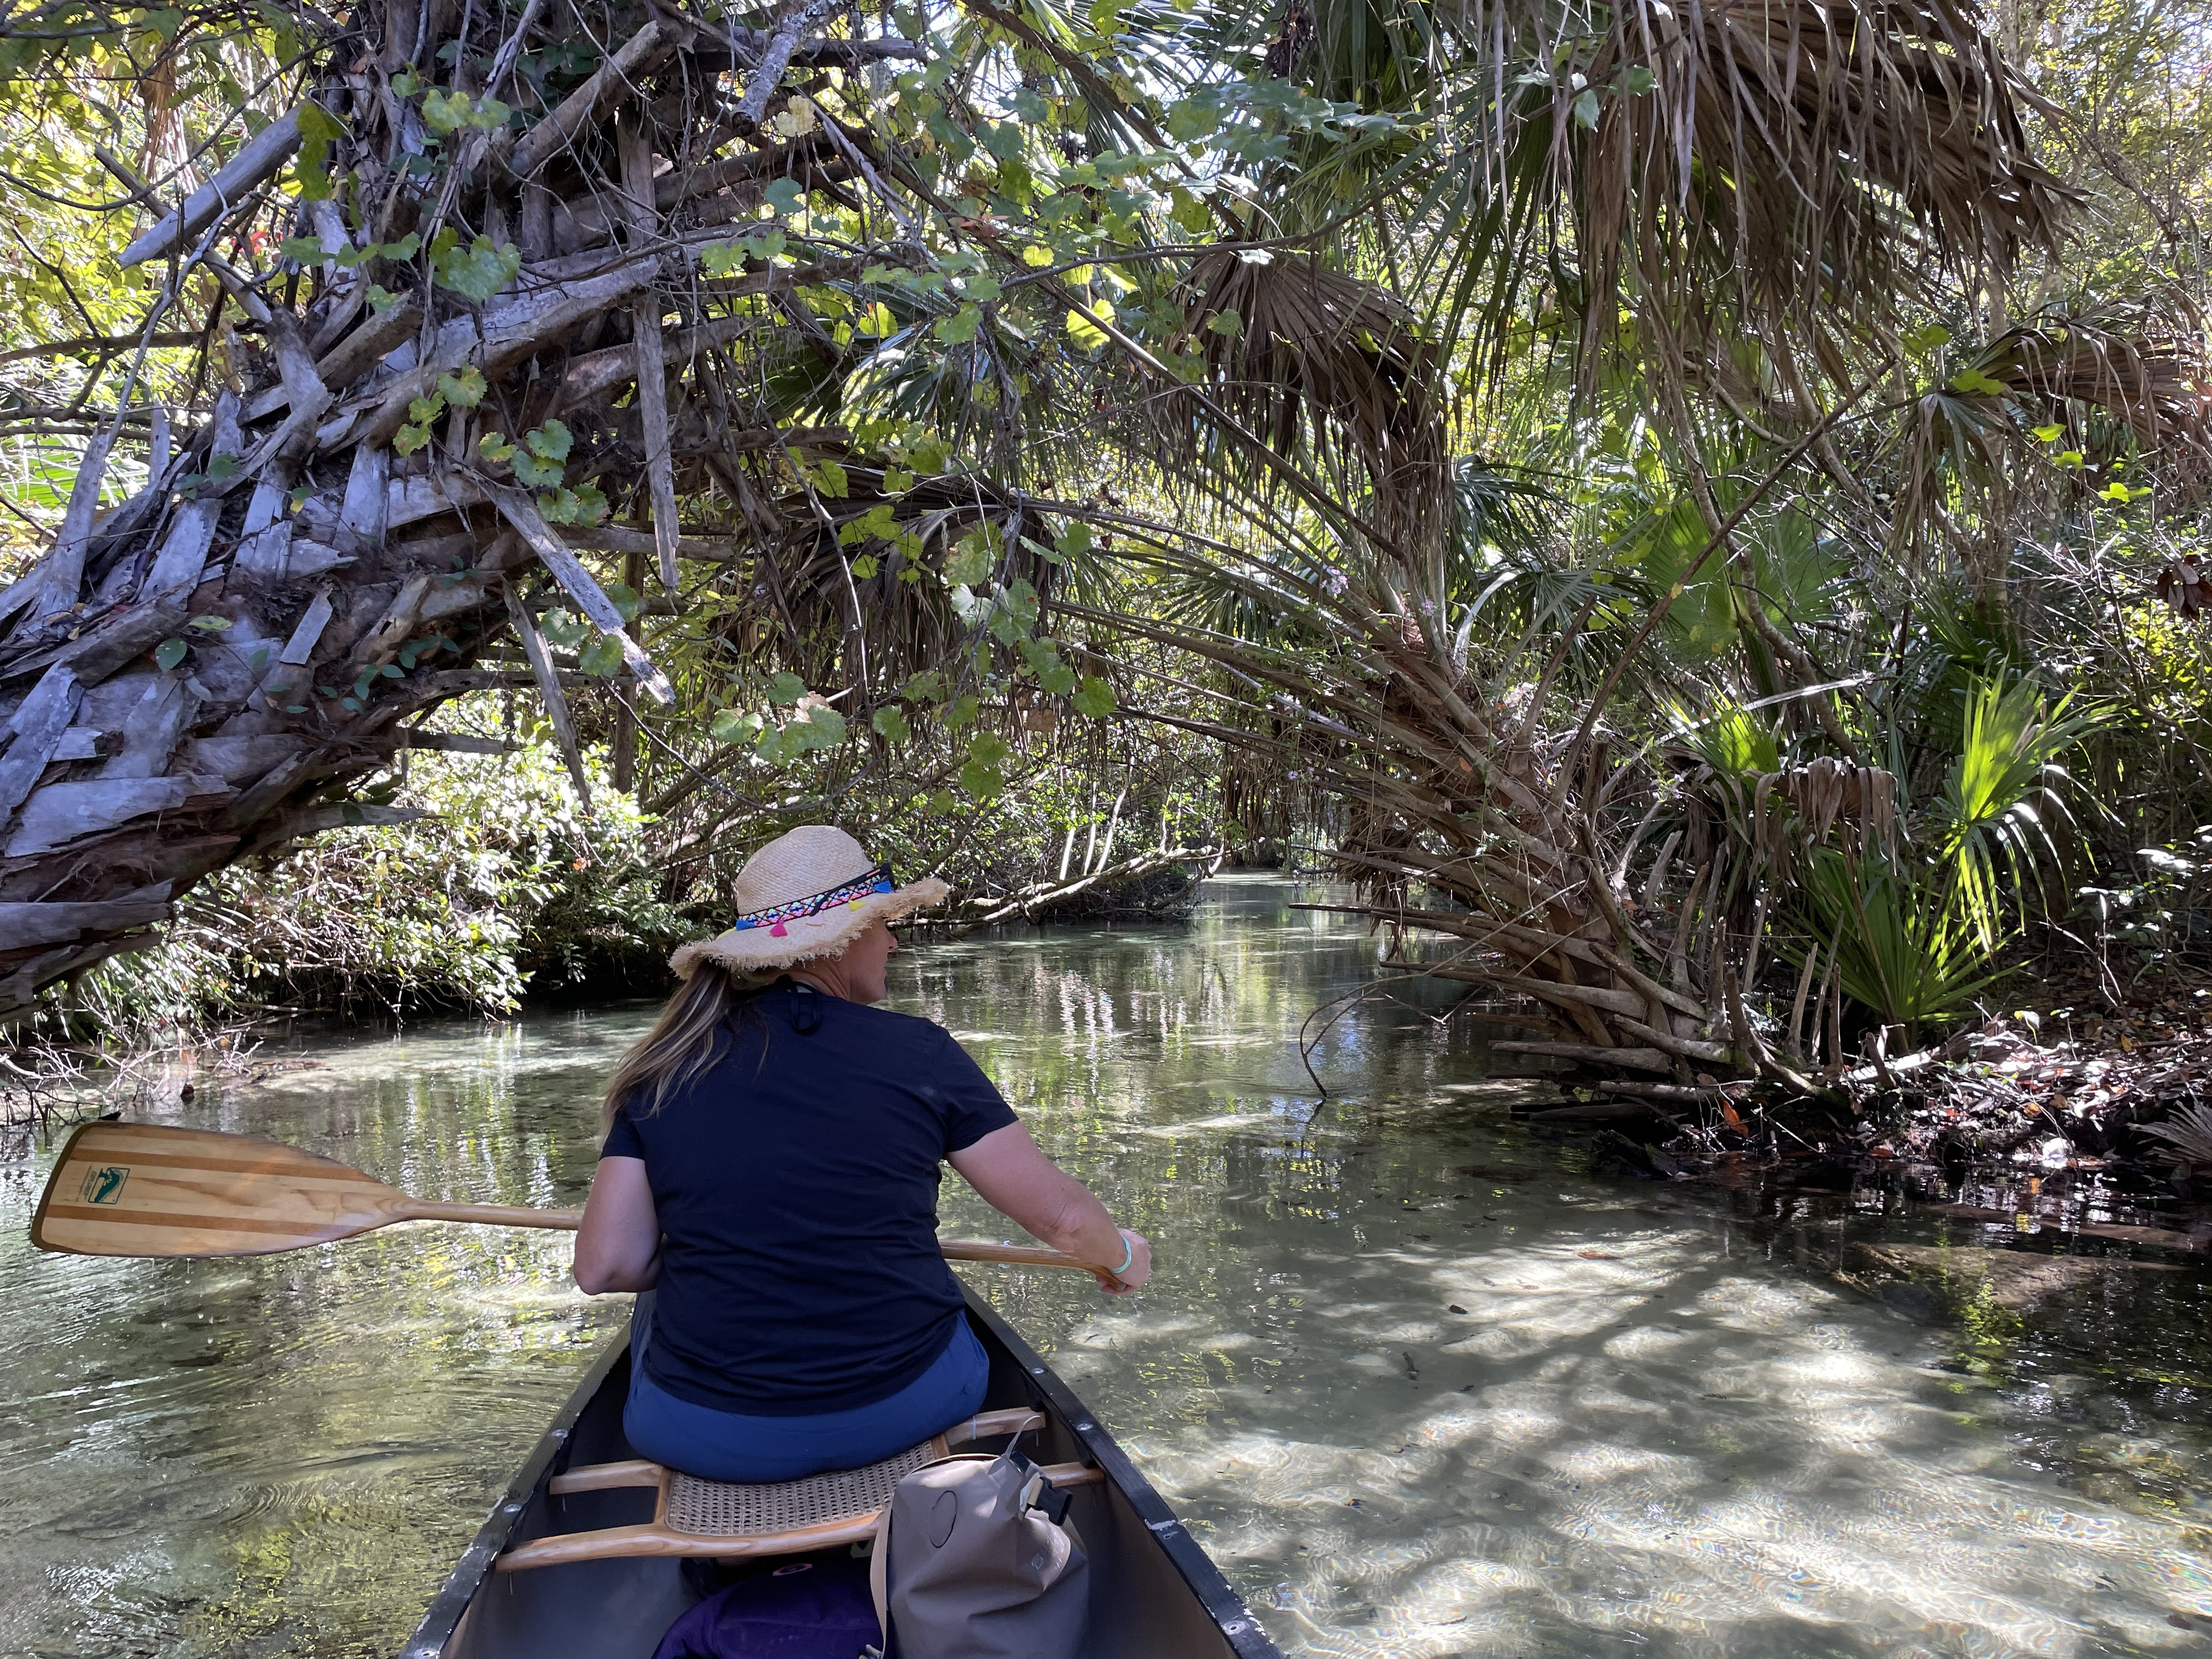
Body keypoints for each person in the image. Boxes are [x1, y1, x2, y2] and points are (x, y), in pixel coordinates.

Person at [573, 824, 1153, 1485]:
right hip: (913, 1404)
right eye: (884, 925)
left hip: (706, 1435)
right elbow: (1065, 1222)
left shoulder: (664, 1069)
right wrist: (1122, 1256)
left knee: (658, 1299)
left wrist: (699, 1251)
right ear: (843, 941)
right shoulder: (921, 1054)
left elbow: (605, 1267)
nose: (894, 942)